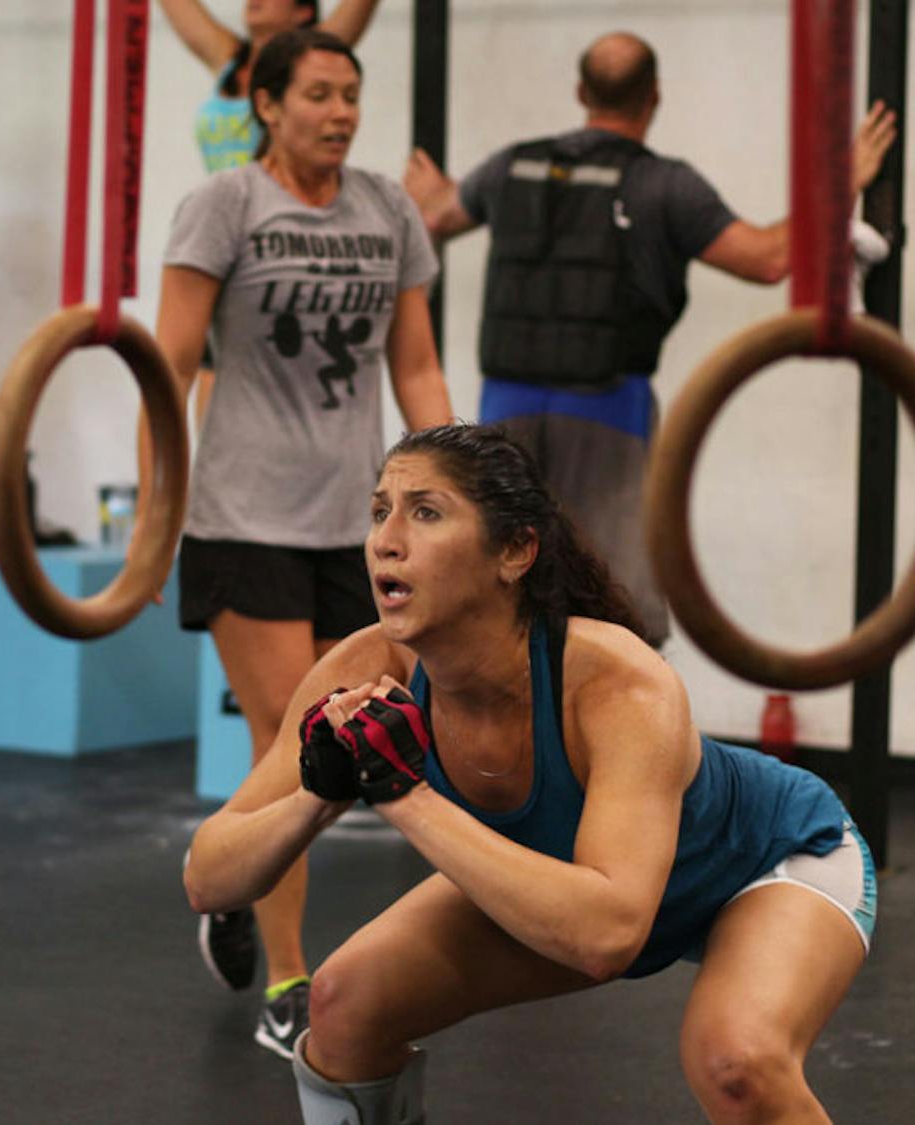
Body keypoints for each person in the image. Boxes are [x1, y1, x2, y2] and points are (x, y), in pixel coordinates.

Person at [183, 422, 876, 1124]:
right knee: (343, 1005)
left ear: (513, 551)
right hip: (575, 880)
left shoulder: (617, 680)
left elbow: (607, 936)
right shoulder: (363, 670)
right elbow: (210, 877)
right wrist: (318, 794)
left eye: (426, 511)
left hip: (764, 862)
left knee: (738, 1063)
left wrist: (403, 792)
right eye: (378, 511)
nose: (386, 539)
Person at [148, 28, 452, 1058]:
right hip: (242, 514)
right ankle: (289, 980)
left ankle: (226, 874)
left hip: (354, 520)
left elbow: (417, 365)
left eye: (351, 94)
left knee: (339, 734)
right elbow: (168, 364)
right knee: (296, 730)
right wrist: (155, 520)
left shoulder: (386, 209)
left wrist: (454, 492)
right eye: (318, 94)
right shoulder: (223, 205)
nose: (341, 112)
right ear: (265, 103)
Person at [403, 31, 898, 646]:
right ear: (655, 97)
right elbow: (769, 258)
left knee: (508, 592)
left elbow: (436, 217)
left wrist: (427, 198)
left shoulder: (513, 166)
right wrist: (843, 179)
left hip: (505, 415)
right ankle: (616, 728)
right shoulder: (666, 186)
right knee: (619, 608)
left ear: (581, 92)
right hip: (609, 412)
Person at [158, 0, 384, 427]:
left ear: (302, 11)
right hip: (222, 242)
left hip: (278, 248)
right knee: (201, 399)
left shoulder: (320, 58)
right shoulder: (231, 60)